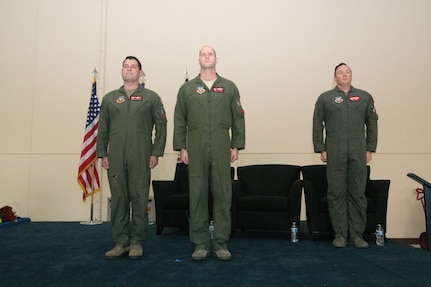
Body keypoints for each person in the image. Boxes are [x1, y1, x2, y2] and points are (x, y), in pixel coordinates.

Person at [173, 45, 245, 261]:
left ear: (216, 59)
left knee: (223, 194)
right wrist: (182, 147)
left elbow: (238, 117)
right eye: (203, 54)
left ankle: (221, 243)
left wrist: (236, 145)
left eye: (210, 53)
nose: (207, 56)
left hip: (222, 144)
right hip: (196, 145)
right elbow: (179, 119)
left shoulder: (229, 87)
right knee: (197, 195)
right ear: (199, 59)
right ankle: (201, 244)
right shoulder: (187, 89)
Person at [97, 56, 167, 259]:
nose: (129, 69)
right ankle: (121, 242)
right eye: (126, 66)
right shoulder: (110, 98)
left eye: (133, 66)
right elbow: (102, 128)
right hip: (116, 155)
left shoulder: (151, 98)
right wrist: (102, 153)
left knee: (138, 196)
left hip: (141, 154)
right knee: (119, 198)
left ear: (140, 72)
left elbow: (161, 126)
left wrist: (155, 152)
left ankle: (136, 241)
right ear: (121, 71)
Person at [313, 63, 378, 248]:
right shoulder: (325, 98)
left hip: (358, 150)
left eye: (347, 72)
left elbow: (372, 124)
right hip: (334, 151)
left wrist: (370, 148)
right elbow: (318, 124)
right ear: (335, 77)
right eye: (340, 72)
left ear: (351, 76)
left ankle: (357, 235)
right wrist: (321, 148)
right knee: (336, 193)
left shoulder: (365, 97)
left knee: (357, 193)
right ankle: (340, 234)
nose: (344, 75)